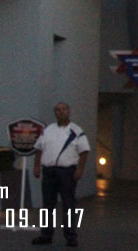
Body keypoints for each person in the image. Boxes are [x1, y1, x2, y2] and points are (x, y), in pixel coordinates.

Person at [32, 102, 90, 247]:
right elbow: (39, 148)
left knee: (68, 204)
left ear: (68, 111)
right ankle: (46, 234)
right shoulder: (48, 130)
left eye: (64, 109)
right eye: (58, 110)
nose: (61, 112)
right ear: (55, 112)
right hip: (49, 171)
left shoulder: (76, 130)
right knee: (47, 205)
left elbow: (84, 151)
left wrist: (80, 169)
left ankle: (71, 236)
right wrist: (36, 166)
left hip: (67, 172)